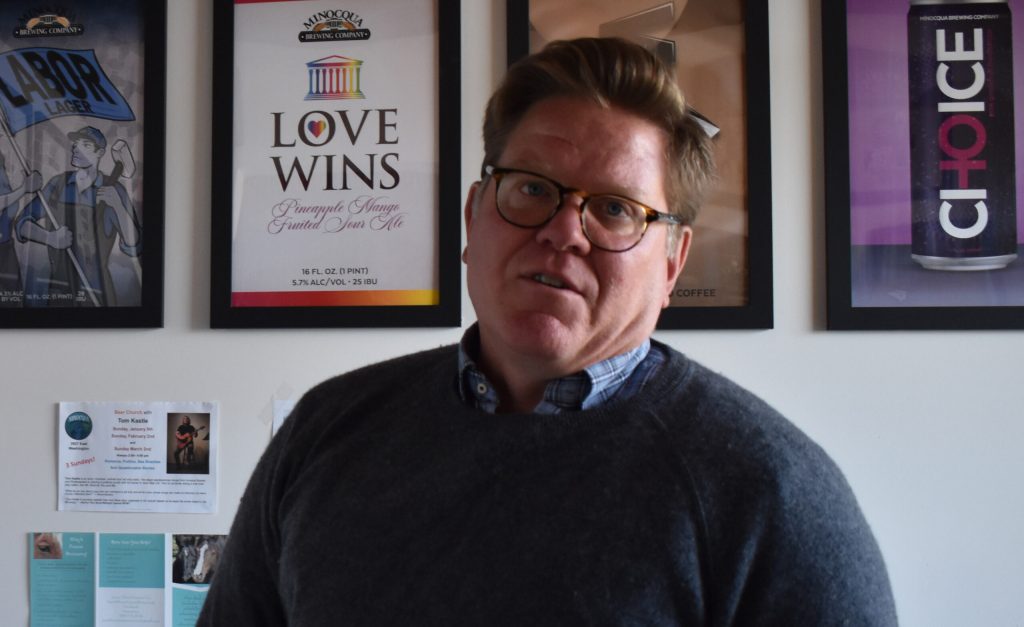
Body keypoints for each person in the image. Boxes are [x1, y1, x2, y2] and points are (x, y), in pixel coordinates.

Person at [199, 38, 897, 625]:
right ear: (476, 217)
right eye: (532, 187)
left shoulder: (768, 490)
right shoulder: (327, 430)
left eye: (617, 209)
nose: (564, 231)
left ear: (673, 263)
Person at [17, 126, 141, 307]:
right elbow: (22, 223)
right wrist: (49, 238)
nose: (76, 149)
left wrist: (118, 207)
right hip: (60, 292)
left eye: (85, 145)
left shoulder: (115, 191)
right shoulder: (57, 185)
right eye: (75, 144)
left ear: (100, 153)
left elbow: (134, 245)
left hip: (98, 294)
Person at [0, 154, 42, 306]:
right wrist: (24, 189)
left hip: (6, 249)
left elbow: (8, 205)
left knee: (13, 303)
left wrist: (23, 184)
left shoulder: (1, 168)